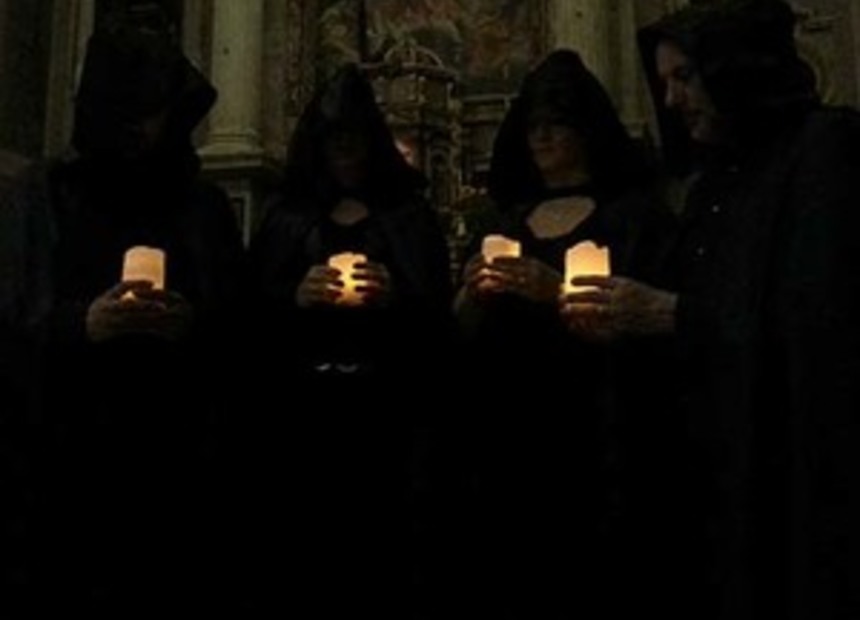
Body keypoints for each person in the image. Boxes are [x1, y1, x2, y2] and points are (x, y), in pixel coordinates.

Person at [561, 1, 860, 618]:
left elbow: (823, 315)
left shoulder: (824, 150)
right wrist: (624, 321)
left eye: (685, 77)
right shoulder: (717, 179)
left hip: (790, 468)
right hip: (717, 467)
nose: (671, 100)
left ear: (737, 70)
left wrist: (675, 316)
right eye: (665, 81)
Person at [21, 19, 246, 612]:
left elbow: (239, 319)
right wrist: (81, 324)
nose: (142, 126)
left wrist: (193, 323)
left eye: (154, 110)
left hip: (178, 444)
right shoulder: (53, 195)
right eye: (130, 109)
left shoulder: (201, 205)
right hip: (77, 445)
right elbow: (18, 312)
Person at [451, 48, 670, 617]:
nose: (542, 138)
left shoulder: (632, 216)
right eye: (534, 126)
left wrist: (556, 292)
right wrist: (472, 292)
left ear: (586, 128)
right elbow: (460, 329)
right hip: (509, 428)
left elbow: (653, 323)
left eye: (556, 124)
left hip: (596, 424)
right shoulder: (504, 220)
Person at [246, 63, 453, 615]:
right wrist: (295, 295)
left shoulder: (407, 216)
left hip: (387, 410)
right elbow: (251, 309)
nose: (344, 153)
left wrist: (395, 293)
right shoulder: (289, 217)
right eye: (334, 140)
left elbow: (437, 311)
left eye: (354, 139)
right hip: (304, 408)